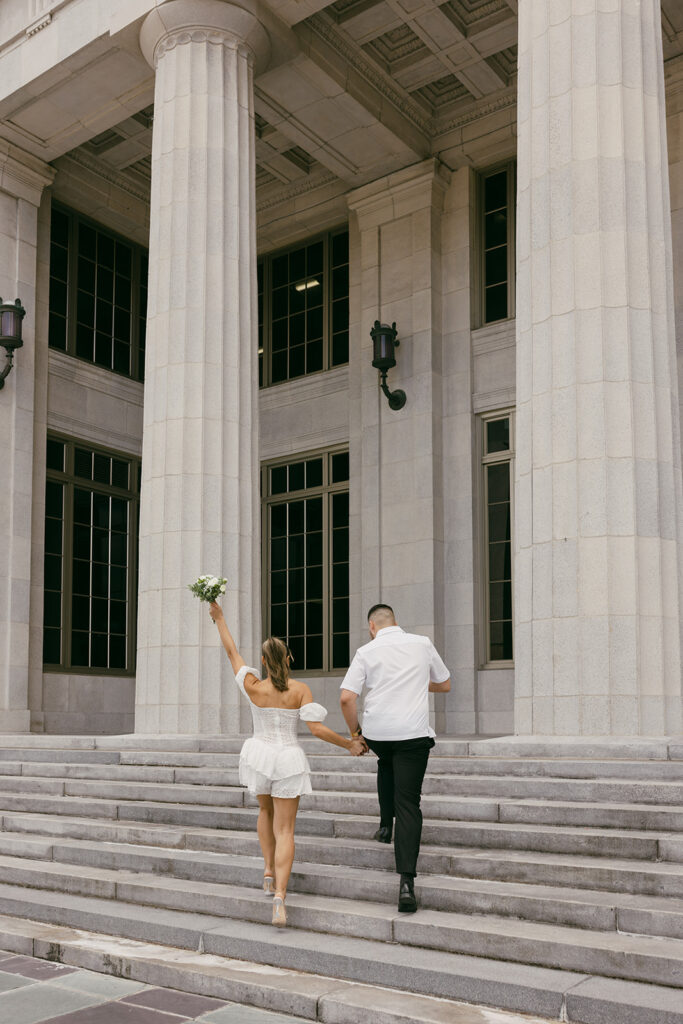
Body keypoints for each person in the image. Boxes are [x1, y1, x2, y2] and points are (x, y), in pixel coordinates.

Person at [209, 601, 366, 927]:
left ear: (264, 661)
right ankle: (280, 896)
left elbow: (231, 652)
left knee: (264, 813)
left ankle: (268, 872)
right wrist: (349, 744)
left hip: (260, 755)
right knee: (286, 829)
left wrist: (219, 617)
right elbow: (318, 729)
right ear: (289, 658)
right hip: (288, 758)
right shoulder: (299, 690)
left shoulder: (253, 686)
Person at [339, 603, 450, 913]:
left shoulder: (366, 651)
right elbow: (445, 684)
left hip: (378, 733)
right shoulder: (422, 643)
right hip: (413, 735)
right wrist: (416, 681)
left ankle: (385, 825)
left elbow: (347, 697)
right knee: (409, 803)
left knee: (385, 761)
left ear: (372, 626)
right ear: (395, 622)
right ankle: (406, 883)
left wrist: (355, 733)